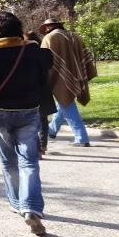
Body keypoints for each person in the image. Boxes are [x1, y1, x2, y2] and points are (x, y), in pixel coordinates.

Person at [0, 12, 49, 236]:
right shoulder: (32, 49)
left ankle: (16, 202)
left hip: (1, 112)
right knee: (29, 161)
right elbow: (43, 78)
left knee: (8, 161)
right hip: (29, 110)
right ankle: (31, 207)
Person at [39, 18, 97, 147]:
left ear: (49, 27)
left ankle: (81, 137)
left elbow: (44, 61)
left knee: (66, 102)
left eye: (47, 27)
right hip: (78, 74)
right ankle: (52, 130)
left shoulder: (50, 38)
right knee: (64, 101)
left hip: (61, 77)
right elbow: (84, 56)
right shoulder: (74, 36)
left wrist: (42, 77)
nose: (46, 29)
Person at [25, 31, 57, 157]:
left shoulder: (24, 54)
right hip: (44, 88)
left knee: (32, 121)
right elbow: (50, 66)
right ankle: (43, 145)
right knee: (43, 119)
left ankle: (38, 149)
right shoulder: (45, 53)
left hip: (30, 90)